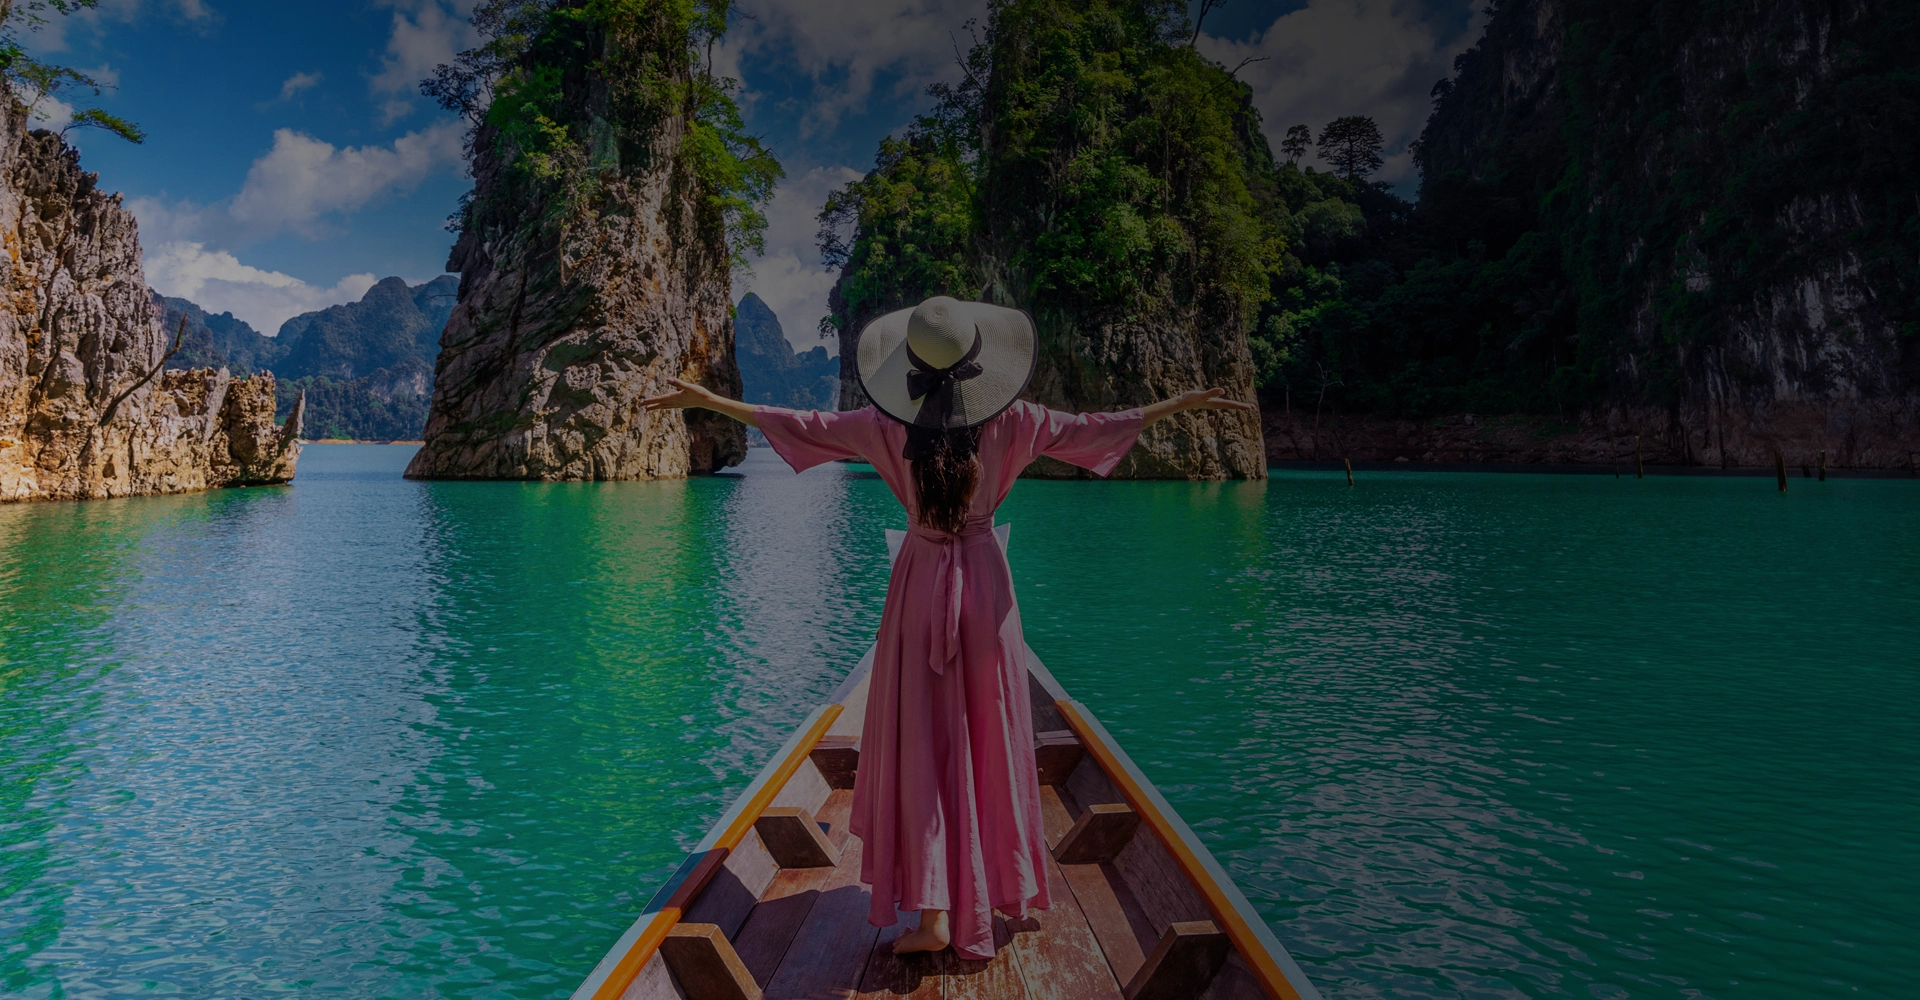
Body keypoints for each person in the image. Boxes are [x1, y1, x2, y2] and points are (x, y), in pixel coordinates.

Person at [642, 295, 1255, 959]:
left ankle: (934, 917)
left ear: (908, 364)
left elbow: (798, 421)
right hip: (986, 591)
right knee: (986, 736)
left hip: (918, 587)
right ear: (979, 363)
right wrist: (1178, 405)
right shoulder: (1016, 421)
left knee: (923, 745)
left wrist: (709, 400)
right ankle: (1001, 890)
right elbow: (1094, 427)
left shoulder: (880, 425)